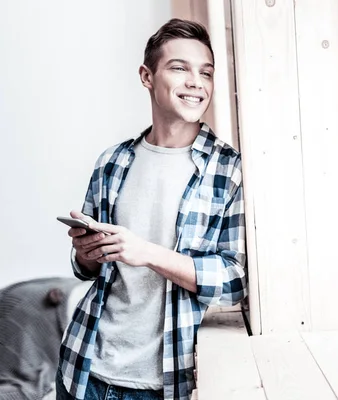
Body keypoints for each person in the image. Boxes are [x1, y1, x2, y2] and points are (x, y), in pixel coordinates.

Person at [55, 18, 247, 400]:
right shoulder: (112, 162)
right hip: (83, 370)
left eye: (205, 73)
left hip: (160, 385)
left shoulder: (230, 169)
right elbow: (86, 271)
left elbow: (234, 280)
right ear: (147, 76)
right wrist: (87, 253)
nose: (196, 82)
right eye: (180, 68)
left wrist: (147, 253)